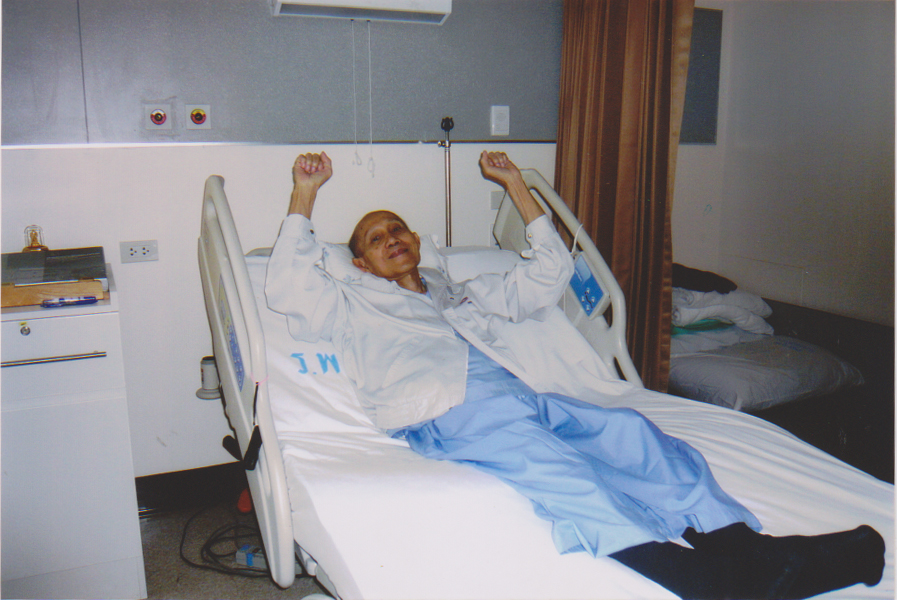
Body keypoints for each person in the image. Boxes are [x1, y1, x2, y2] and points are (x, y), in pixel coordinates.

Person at [266, 150, 885, 599]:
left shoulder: (461, 291)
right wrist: (304, 192)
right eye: (375, 238)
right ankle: (698, 579)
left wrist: (517, 187)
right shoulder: (349, 302)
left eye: (397, 228)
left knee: (634, 435)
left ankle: (745, 551)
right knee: (559, 471)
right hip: (446, 409)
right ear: (359, 263)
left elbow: (548, 275)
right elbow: (287, 286)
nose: (392, 238)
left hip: (525, 398)